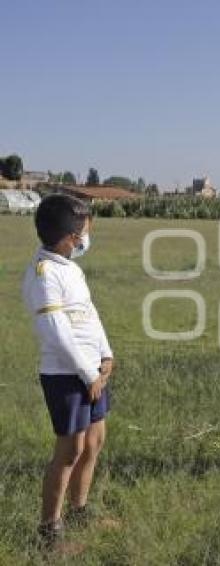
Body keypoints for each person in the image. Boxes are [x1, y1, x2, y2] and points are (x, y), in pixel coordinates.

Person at [22, 194, 115, 548]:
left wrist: (105, 355)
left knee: (94, 441)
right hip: (66, 375)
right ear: (69, 239)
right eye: (83, 235)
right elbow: (56, 331)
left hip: (93, 373)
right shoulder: (43, 274)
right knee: (70, 450)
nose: (85, 241)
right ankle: (50, 530)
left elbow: (88, 314)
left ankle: (80, 511)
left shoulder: (71, 268)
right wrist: (88, 374)